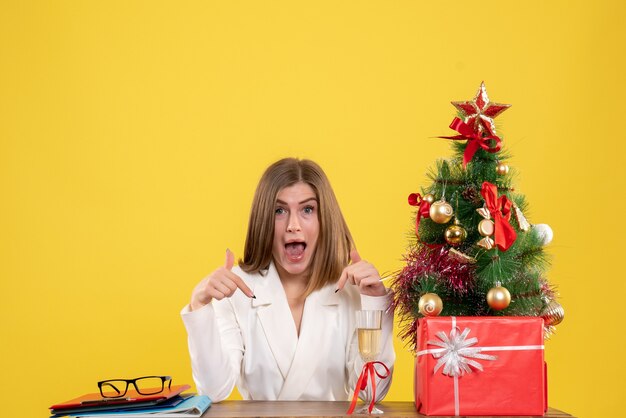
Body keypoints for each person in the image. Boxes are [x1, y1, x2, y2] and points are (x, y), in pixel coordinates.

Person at [181, 158, 395, 402]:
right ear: (263, 221)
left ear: (324, 219)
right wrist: (199, 305)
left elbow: (372, 392)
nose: (293, 226)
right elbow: (214, 391)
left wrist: (377, 303)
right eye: (279, 211)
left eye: (307, 210)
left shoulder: (352, 292)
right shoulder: (234, 289)